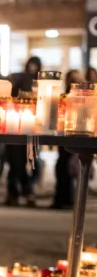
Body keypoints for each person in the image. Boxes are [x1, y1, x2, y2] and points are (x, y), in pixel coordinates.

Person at [6, 56, 42, 206]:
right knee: (16, 163)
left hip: (32, 127)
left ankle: (25, 191)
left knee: (31, 162)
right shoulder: (20, 79)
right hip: (15, 126)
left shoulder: (40, 83)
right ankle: (17, 193)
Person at [52, 69, 85, 209]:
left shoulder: (85, 97)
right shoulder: (64, 97)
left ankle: (68, 199)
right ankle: (62, 198)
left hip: (78, 135)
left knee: (69, 167)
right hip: (64, 134)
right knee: (62, 166)